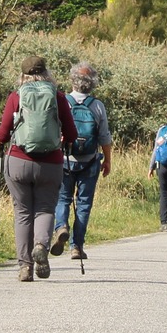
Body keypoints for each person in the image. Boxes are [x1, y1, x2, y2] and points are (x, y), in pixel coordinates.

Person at [0, 55, 76, 281]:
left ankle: (25, 268)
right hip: (50, 163)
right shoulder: (58, 97)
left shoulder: (16, 96)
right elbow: (72, 133)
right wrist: (65, 139)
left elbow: (3, 131)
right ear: (46, 73)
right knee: (45, 209)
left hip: (18, 161)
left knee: (22, 213)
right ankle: (40, 245)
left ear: (23, 74)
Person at [51, 63, 111, 263]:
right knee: (84, 204)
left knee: (63, 199)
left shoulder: (62, 102)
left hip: (64, 160)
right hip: (89, 161)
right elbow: (104, 137)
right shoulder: (97, 105)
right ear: (92, 83)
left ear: (72, 80)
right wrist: (107, 161)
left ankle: (61, 227)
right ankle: (76, 246)